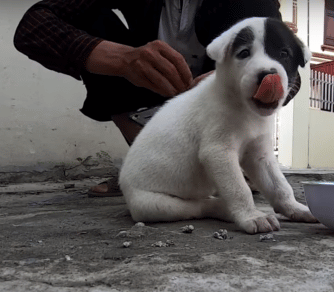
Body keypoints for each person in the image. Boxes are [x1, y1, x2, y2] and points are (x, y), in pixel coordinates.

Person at [13, 0, 291, 196]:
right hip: (148, 98)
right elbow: (33, 26)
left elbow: (292, 74)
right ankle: (146, 168)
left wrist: (228, 81)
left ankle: (233, 170)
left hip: (223, 109)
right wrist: (123, 60)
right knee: (92, 25)